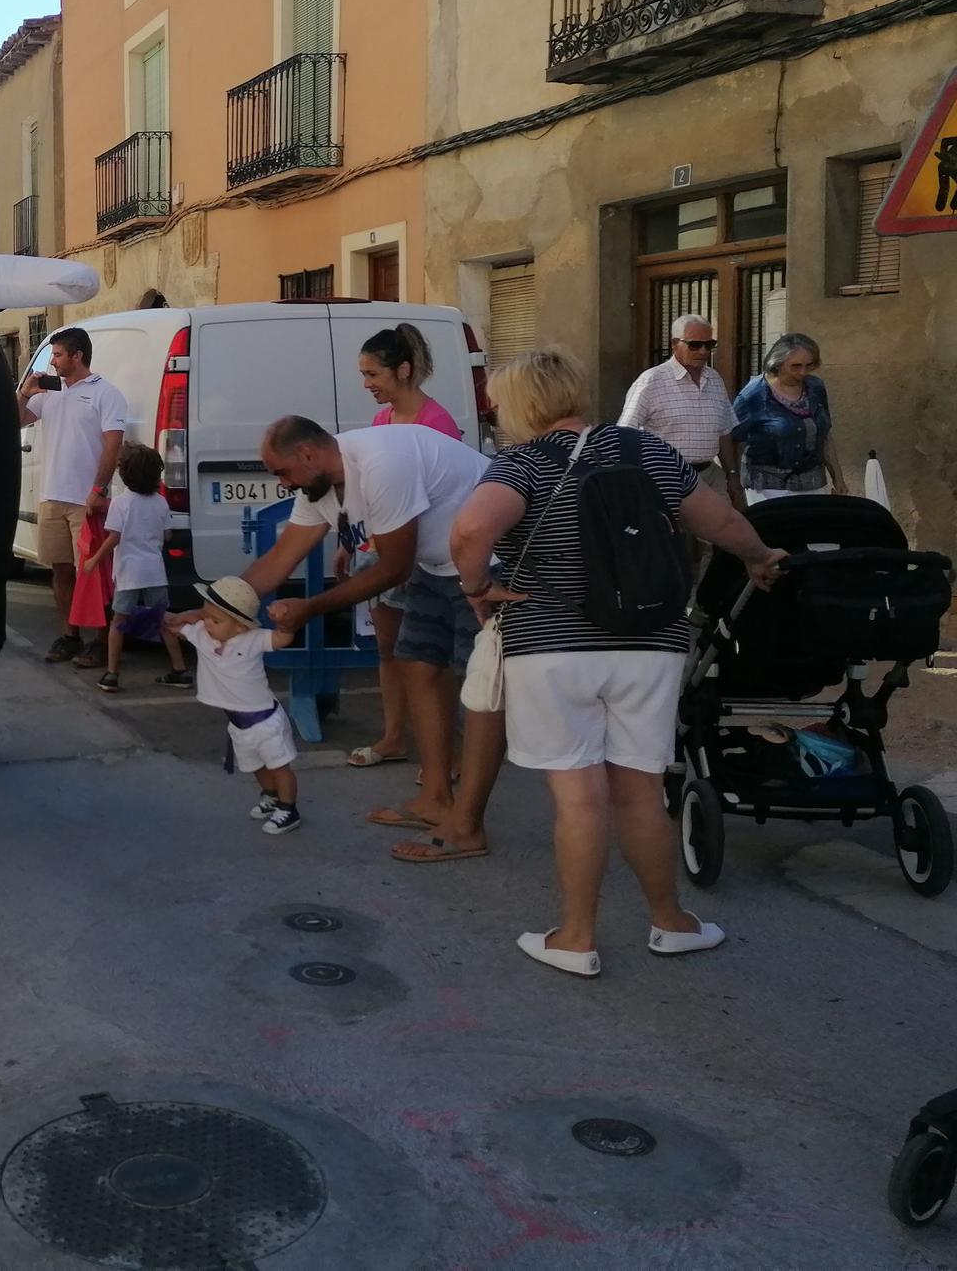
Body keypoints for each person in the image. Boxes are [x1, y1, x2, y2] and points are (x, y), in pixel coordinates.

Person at [448, 348, 784, 978]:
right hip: (649, 644)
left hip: (551, 647)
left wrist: (478, 586)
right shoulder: (645, 450)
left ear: (517, 405)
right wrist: (762, 558)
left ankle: (576, 937)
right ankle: (672, 922)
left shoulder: (520, 465)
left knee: (579, 799)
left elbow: (470, 533)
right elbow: (721, 523)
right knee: (640, 791)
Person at [243, 418, 500, 835]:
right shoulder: (318, 487)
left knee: (483, 692)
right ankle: (435, 799)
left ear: (307, 454)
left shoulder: (381, 462)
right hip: (436, 564)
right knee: (418, 666)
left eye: (282, 473)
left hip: (489, 561)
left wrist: (310, 607)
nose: (283, 485)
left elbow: (393, 568)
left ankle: (467, 824)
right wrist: (219, 605)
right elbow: (278, 560)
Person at [346, 324, 462, 771]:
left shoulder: (438, 423)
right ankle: (394, 737)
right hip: (378, 550)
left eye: (373, 374)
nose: (367, 384)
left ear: (404, 370)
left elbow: (447, 496)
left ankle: (445, 752)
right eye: (364, 374)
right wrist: (350, 539)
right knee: (388, 649)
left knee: (431, 655)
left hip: (425, 557)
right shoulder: (381, 421)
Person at [18, 327, 129, 667]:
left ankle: (100, 639)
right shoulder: (48, 393)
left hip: (85, 499)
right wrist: (24, 394)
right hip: (52, 495)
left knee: (93, 574)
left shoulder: (106, 394)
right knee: (61, 571)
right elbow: (15, 421)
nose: (52, 362)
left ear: (77, 356)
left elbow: (113, 444)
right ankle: (70, 635)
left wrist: (99, 489)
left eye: (57, 355)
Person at [162, 577, 301, 834]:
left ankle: (288, 808)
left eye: (215, 620)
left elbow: (283, 639)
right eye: (207, 617)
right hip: (238, 723)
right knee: (255, 766)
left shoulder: (254, 639)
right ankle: (271, 797)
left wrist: (286, 619)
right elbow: (173, 625)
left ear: (239, 627)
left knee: (279, 766)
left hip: (265, 721)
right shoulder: (202, 634)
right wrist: (186, 616)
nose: (207, 624)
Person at [84, 443, 189, 693]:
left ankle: (111, 674)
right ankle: (179, 670)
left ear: (124, 473)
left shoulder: (120, 504)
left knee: (119, 622)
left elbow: (113, 538)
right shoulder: (161, 502)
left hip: (129, 573)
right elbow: (167, 535)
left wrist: (93, 560)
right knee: (163, 620)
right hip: (155, 571)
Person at [619, 316, 737, 500]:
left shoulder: (714, 379)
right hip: (668, 477)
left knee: (726, 527)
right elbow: (626, 433)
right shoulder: (651, 381)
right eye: (695, 345)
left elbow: (724, 431)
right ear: (675, 344)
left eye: (709, 344)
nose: (703, 351)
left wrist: (732, 474)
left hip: (711, 476)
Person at [731, 333, 845, 504]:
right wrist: (733, 477)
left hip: (812, 482)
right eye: (796, 366)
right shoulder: (754, 394)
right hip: (768, 487)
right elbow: (732, 435)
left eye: (809, 365)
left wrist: (838, 478)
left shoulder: (815, 387)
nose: (803, 372)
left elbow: (825, 435)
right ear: (777, 364)